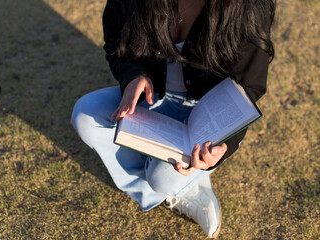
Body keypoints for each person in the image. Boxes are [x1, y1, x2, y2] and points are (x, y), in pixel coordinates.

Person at [71, 0, 275, 238]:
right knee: (86, 116)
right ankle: (169, 191)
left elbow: (248, 86)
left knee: (163, 178)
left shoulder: (248, 5)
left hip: (206, 115)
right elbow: (116, 39)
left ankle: (178, 186)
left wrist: (225, 146)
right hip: (153, 96)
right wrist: (134, 76)